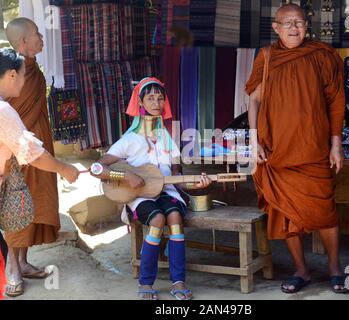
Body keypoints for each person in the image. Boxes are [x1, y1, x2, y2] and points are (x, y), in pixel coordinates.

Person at [246, 4, 349, 294]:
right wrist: (254, 141)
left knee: (325, 212)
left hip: (313, 149)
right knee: (285, 213)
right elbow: (254, 100)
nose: (294, 28)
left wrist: (336, 143)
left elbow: (336, 102)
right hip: (277, 152)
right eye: (287, 23)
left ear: (307, 26)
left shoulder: (321, 55)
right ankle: (301, 270)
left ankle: (334, 268)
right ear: (276, 28)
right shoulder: (267, 57)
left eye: (299, 23)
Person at [90, 77, 211, 300]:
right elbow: (97, 168)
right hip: (140, 197)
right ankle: (146, 282)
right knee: (157, 220)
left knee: (175, 216)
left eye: (160, 98)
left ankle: (178, 281)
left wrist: (194, 184)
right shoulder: (129, 139)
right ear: (141, 102)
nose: (156, 102)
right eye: (150, 98)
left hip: (167, 192)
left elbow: (176, 176)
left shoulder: (167, 137)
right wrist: (124, 175)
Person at [0, 48, 79, 297]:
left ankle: (20, 264)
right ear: (12, 75)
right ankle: (13, 267)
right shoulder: (3, 111)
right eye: (22, 76)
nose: (25, 81)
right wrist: (64, 169)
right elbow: (33, 153)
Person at [4, 17, 62, 292]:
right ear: (24, 41)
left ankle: (24, 261)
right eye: (37, 34)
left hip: (39, 148)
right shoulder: (11, 72)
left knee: (35, 204)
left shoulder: (34, 70)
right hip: (19, 152)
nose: (42, 37)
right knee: (17, 207)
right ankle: (12, 268)